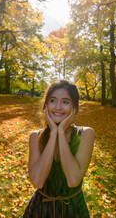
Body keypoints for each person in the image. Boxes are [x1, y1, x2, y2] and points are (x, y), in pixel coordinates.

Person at [22, 80, 95, 218]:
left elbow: (73, 180)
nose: (58, 107)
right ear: (46, 105)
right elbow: (37, 181)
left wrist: (61, 132)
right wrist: (53, 133)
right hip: (40, 209)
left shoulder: (86, 134)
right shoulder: (35, 137)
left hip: (73, 209)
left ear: (74, 107)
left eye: (65, 102)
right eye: (53, 100)